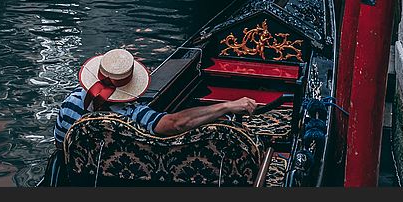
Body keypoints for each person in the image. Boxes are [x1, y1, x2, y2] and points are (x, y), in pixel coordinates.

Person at [53, 48, 259, 148]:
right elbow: (176, 124)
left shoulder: (70, 104)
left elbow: (61, 146)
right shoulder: (133, 115)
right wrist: (226, 106)